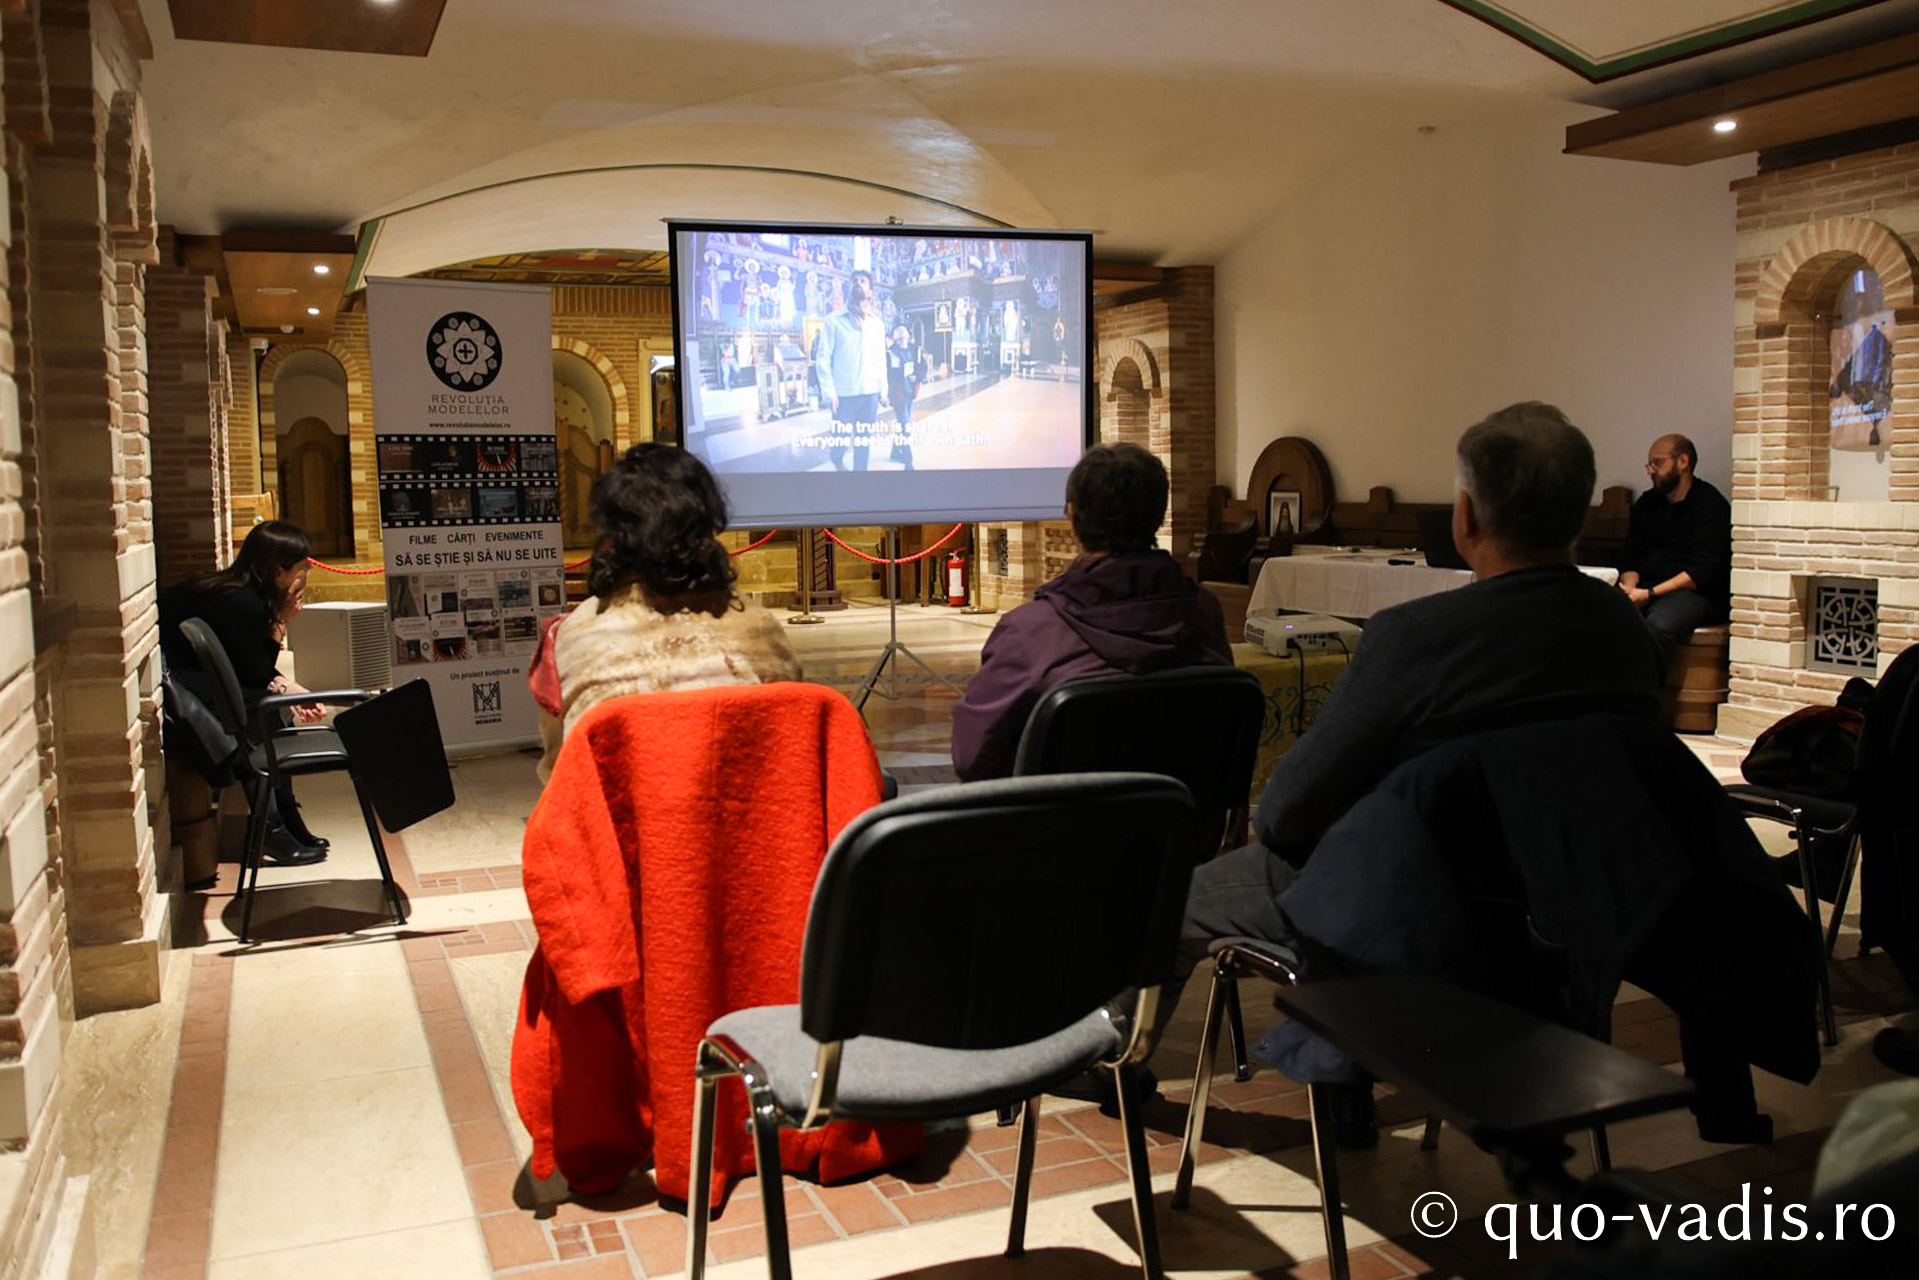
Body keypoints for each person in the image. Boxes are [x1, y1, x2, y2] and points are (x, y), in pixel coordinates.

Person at [1167, 404, 1667, 1138]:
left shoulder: (1416, 637)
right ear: (1576, 515)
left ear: (1464, 518)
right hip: (1562, 912)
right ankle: (1344, 1087)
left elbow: (1286, 813)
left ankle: (1122, 1063)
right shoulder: (1627, 635)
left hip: (1410, 907)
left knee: (1165, 902)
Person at [951, 442, 1230, 781]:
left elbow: (971, 756)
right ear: (1158, 515)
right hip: (1179, 825)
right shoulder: (1203, 612)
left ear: (1071, 516)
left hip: (1062, 829)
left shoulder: (1030, 632)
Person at [534, 443, 801, 780]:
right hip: (749, 820)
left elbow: (559, 774)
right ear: (706, 526)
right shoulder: (761, 626)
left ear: (610, 536)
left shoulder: (572, 635)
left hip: (625, 826)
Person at [159, 520, 330, 887]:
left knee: (269, 707)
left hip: (188, 681)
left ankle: (284, 817)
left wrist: (286, 685)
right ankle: (273, 825)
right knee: (260, 716)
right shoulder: (245, 605)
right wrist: (281, 623)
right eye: (301, 570)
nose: (306, 577)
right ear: (279, 571)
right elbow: (253, 675)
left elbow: (249, 666)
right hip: (183, 691)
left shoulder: (234, 591)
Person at [1617, 433, 1732, 665]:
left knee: (1659, 625)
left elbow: (1704, 570)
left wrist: (1650, 594)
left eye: (1657, 463)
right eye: (1649, 464)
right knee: (1609, 617)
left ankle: (1649, 695)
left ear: (1683, 462)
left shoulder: (1709, 504)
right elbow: (1631, 555)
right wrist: (1630, 590)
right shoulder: (1648, 503)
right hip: (1645, 587)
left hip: (1694, 594)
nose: (1650, 471)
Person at [811, 269, 886, 471]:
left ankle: (859, 481)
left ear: (870, 291)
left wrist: (883, 390)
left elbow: (881, 359)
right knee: (841, 441)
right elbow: (823, 358)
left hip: (870, 393)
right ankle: (836, 457)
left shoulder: (877, 324)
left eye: (863, 281)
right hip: (843, 395)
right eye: (854, 281)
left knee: (863, 441)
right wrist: (829, 392)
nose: (857, 283)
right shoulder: (834, 320)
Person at [884, 324, 920, 471]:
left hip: (911, 391)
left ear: (908, 334)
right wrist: (884, 394)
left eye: (903, 329)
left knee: (902, 424)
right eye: (897, 330)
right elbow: (886, 374)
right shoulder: (890, 352)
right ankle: (908, 460)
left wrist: (916, 376)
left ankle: (894, 452)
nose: (901, 331)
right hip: (898, 393)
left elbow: (921, 367)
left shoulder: (914, 350)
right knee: (905, 426)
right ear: (894, 336)